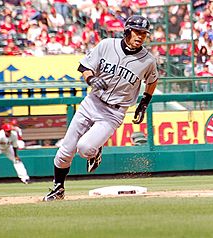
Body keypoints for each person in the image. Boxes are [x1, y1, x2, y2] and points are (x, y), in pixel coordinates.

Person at [43, 15, 158, 201]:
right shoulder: (107, 45)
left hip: (114, 112)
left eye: (144, 34)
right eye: (137, 32)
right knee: (65, 150)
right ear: (127, 31)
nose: (140, 36)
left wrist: (144, 102)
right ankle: (58, 188)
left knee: (84, 147)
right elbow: (84, 66)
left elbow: (152, 81)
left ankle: (95, 151)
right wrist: (91, 79)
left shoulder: (148, 60)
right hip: (92, 102)